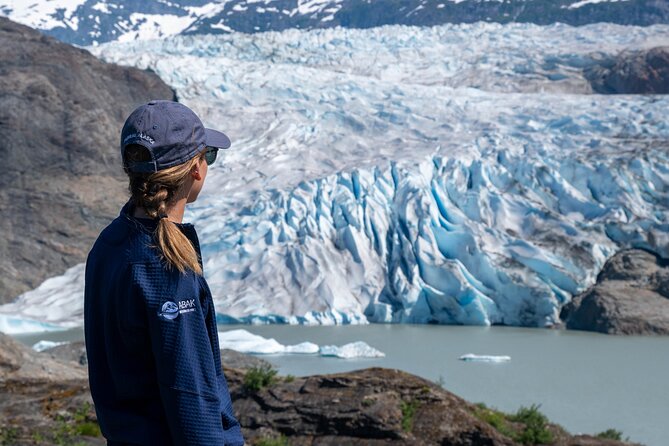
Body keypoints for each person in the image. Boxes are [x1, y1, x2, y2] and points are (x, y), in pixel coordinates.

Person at [84, 100, 245, 445]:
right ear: (195, 171)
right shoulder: (166, 267)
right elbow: (191, 396)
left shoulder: (109, 244)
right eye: (208, 156)